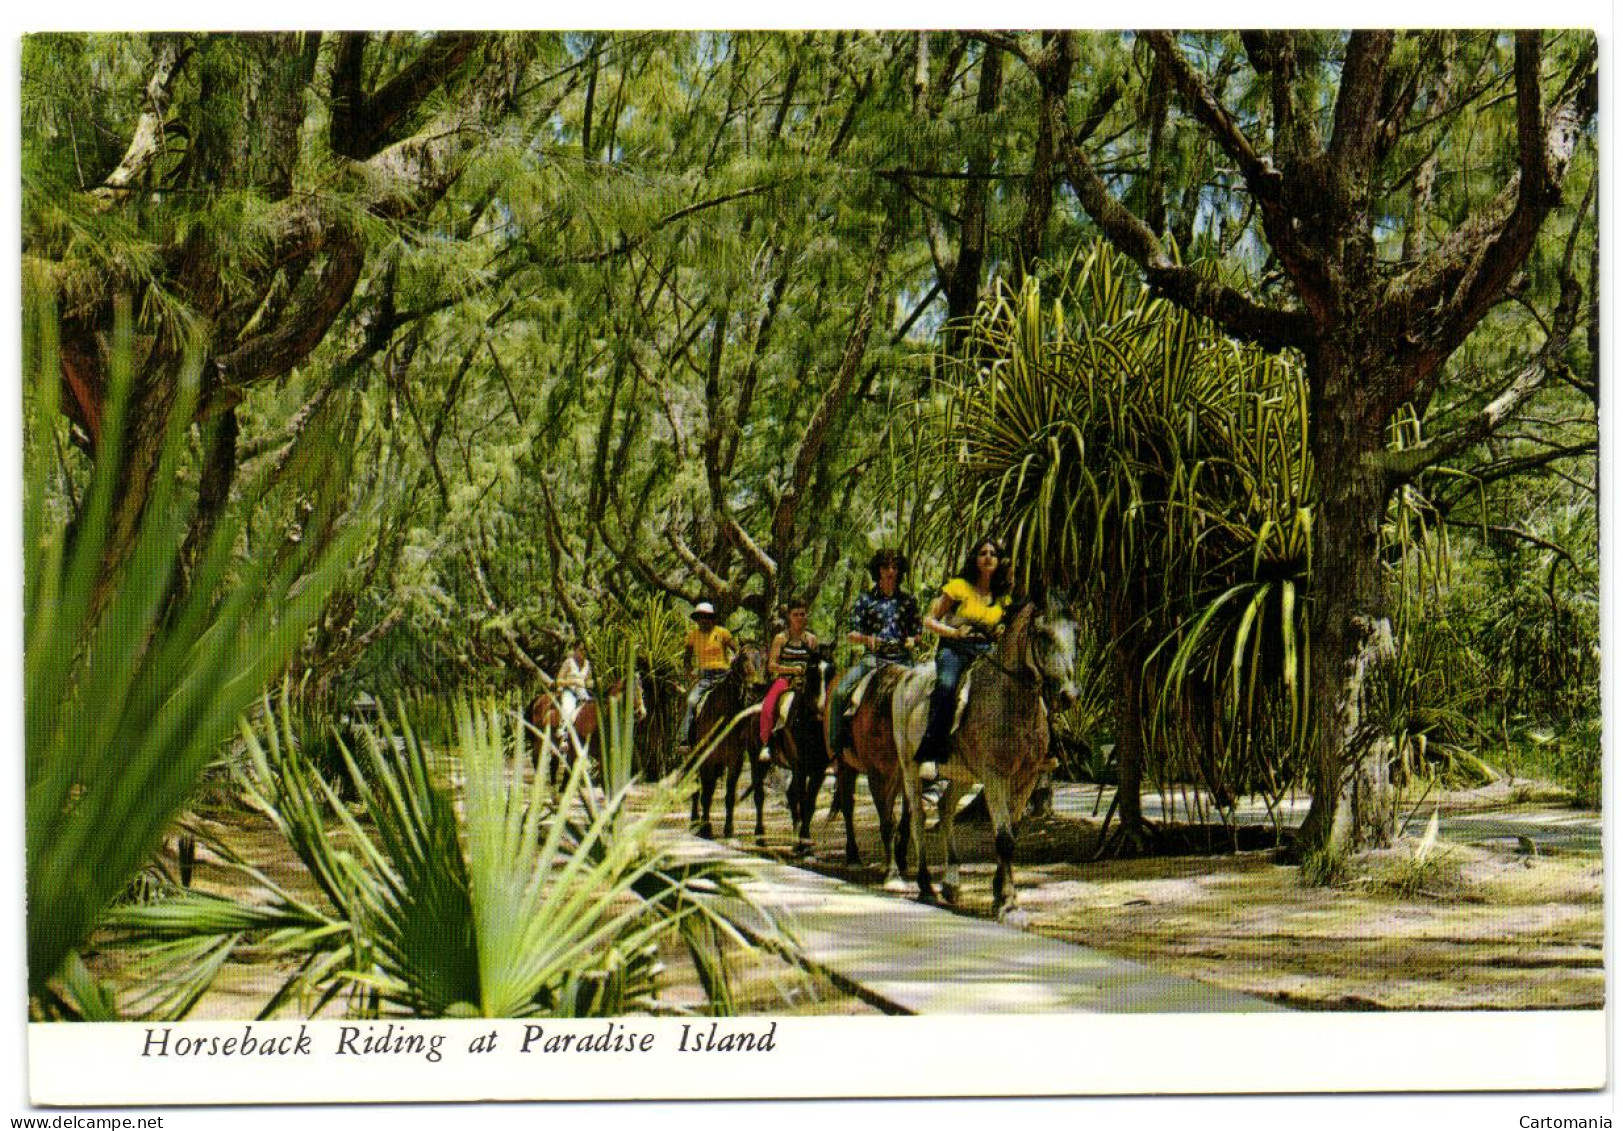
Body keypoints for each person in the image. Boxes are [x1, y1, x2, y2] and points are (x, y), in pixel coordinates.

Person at [915, 536, 1014, 788]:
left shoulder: (1002, 597)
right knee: (947, 687)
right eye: (983, 552)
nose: (988, 557)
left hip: (986, 651)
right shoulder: (958, 587)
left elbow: (1006, 627)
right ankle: (931, 755)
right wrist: (953, 633)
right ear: (975, 559)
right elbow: (929, 620)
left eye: (993, 553)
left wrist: (1000, 631)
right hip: (955, 649)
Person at [826, 548, 921, 760]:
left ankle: (928, 752)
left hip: (903, 660)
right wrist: (866, 639)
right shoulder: (865, 600)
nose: (890, 571)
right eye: (886, 566)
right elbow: (851, 632)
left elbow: (918, 632)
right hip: (874, 659)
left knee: (927, 694)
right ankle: (837, 746)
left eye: (895, 567)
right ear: (878, 570)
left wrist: (913, 640)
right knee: (840, 692)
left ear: (899, 572)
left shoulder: (909, 601)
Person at [759, 600, 819, 762]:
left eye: (802, 614)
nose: (799, 618)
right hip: (785, 681)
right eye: (795, 615)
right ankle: (766, 743)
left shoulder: (812, 640)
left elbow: (816, 661)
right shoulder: (781, 638)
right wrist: (792, 670)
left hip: (806, 681)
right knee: (768, 705)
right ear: (789, 617)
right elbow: (772, 666)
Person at [681, 601, 738, 746]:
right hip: (705, 677)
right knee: (691, 701)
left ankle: (746, 738)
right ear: (697, 619)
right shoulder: (692, 636)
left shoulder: (722, 632)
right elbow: (686, 660)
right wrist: (689, 673)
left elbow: (737, 650)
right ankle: (686, 739)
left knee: (742, 700)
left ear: (712, 618)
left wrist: (735, 663)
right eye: (701, 617)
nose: (704, 620)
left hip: (725, 676)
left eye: (707, 617)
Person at [554, 640, 592, 728]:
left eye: (586, 650)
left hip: (583, 693)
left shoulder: (588, 665)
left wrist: (590, 684)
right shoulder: (569, 662)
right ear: (575, 650)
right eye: (581, 649)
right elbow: (558, 681)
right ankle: (563, 734)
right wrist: (572, 682)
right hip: (569, 692)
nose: (583, 652)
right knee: (568, 708)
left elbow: (588, 682)